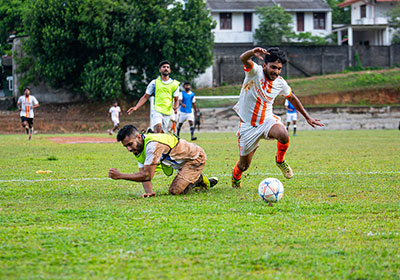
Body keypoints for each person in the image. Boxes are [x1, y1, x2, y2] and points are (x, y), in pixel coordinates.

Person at [231, 47, 324, 188]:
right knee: (244, 166)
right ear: (265, 65)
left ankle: (280, 161)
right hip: (247, 126)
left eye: (279, 68)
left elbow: (292, 97)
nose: (276, 71)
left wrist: (307, 117)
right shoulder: (254, 72)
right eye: (273, 67)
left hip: (267, 121)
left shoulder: (280, 83)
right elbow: (243, 58)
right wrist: (252, 53)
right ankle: (236, 177)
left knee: (283, 134)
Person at [108, 125, 218, 197]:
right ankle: (194, 178)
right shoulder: (138, 148)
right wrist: (149, 192)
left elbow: (147, 176)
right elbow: (143, 172)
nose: (129, 149)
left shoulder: (152, 145)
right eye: (125, 146)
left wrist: (120, 175)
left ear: (138, 137)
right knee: (180, 189)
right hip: (181, 163)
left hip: (195, 158)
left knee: (175, 191)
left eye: (129, 144)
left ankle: (200, 179)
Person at [127, 60, 180, 133]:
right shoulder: (154, 83)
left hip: (168, 112)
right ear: (160, 70)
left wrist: (175, 107)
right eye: (164, 67)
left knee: (161, 134)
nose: (166, 68)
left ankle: (150, 133)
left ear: (170, 70)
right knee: (158, 127)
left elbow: (176, 99)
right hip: (157, 109)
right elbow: (145, 96)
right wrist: (136, 107)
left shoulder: (175, 84)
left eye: (168, 67)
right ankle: (153, 132)